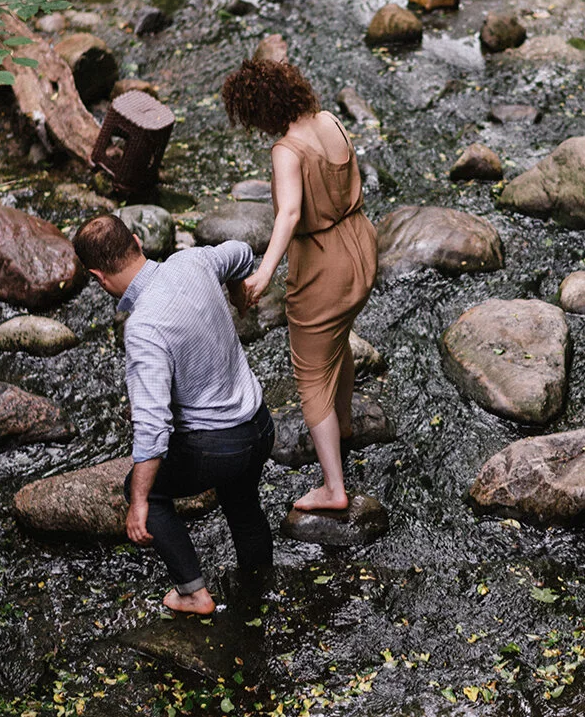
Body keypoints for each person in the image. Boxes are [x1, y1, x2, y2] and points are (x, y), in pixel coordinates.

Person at [73, 214, 275, 616]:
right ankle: (260, 588)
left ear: (97, 277)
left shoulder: (144, 326)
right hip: (259, 427)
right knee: (242, 500)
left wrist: (140, 501)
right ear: (136, 241)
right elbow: (240, 252)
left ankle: (193, 593)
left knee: (145, 488)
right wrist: (238, 294)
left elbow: (152, 425)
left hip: (219, 449)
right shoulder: (191, 261)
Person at [220, 59, 377, 513]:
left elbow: (289, 213)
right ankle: (343, 422)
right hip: (360, 247)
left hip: (324, 265)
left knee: (310, 376)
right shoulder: (329, 120)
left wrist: (265, 271)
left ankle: (333, 487)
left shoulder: (286, 150)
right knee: (337, 341)